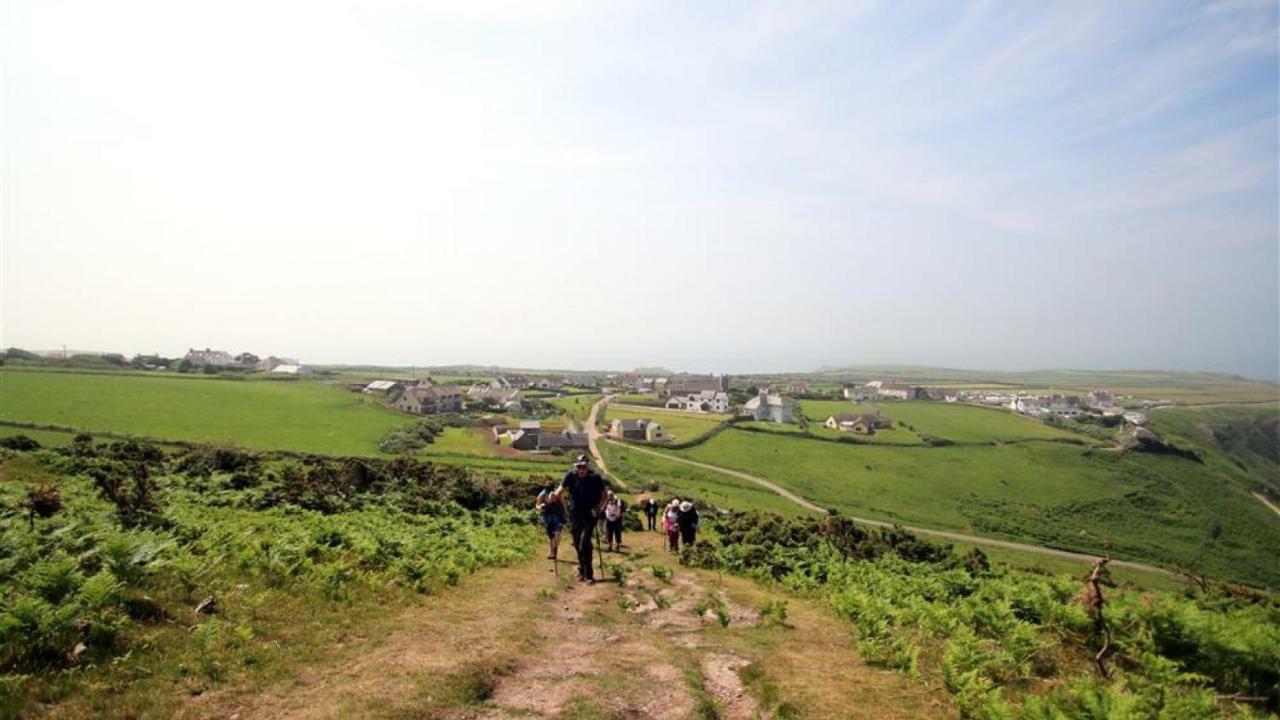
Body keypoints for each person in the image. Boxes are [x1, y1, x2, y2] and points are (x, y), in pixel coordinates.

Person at [560, 455, 608, 582]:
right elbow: (561, 489)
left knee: (583, 543)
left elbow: (605, 497)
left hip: (590, 516)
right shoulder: (570, 476)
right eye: (579, 466)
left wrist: (598, 509)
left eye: (584, 467)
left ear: (588, 467)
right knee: (577, 544)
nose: (581, 469)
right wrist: (554, 495)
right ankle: (582, 570)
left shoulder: (595, 478)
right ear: (575, 467)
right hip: (575, 515)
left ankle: (589, 574)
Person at [535, 478, 567, 563]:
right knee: (550, 535)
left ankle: (554, 550)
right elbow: (537, 505)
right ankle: (552, 551)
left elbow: (563, 503)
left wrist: (565, 513)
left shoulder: (558, 494)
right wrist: (541, 507)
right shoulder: (542, 494)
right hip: (547, 516)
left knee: (557, 533)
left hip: (558, 515)